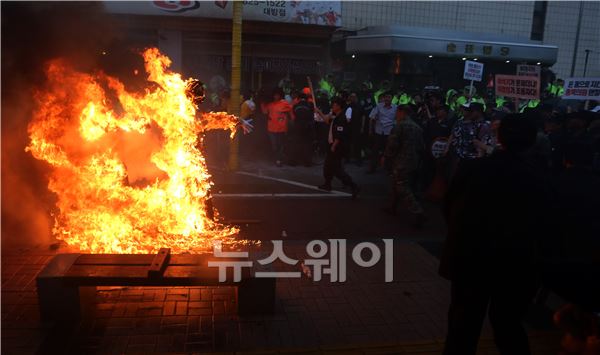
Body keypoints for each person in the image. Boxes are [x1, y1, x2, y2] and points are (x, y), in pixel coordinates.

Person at [439, 115, 554, 355]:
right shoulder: (539, 178)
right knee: (508, 325)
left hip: (471, 260)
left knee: (462, 326)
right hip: (516, 265)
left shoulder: (474, 168)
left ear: (499, 137)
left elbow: (449, 206)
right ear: (532, 141)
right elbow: (546, 225)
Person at [384, 104, 426, 227]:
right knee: (397, 184)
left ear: (402, 112)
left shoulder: (400, 126)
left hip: (401, 161)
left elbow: (392, 145)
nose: (396, 115)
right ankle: (393, 207)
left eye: (397, 112)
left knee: (402, 186)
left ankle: (419, 212)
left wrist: (386, 158)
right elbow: (422, 147)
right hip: (414, 162)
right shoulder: (418, 127)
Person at [316, 97, 360, 198]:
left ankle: (354, 186)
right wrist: (319, 112)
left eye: (334, 105)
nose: (332, 106)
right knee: (327, 166)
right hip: (332, 145)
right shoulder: (336, 115)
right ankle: (327, 184)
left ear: (339, 106)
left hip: (337, 147)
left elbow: (340, 134)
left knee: (337, 170)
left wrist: (334, 145)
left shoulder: (341, 118)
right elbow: (327, 120)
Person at [368, 92, 397, 173]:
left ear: (392, 98)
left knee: (389, 151)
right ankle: (372, 168)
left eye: (389, 97)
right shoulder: (378, 106)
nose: (387, 99)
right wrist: (370, 130)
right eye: (386, 97)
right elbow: (371, 118)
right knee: (375, 151)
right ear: (384, 98)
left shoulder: (395, 108)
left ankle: (388, 169)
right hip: (379, 131)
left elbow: (397, 120)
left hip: (389, 133)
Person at [264, 88, 292, 167]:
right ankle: (278, 159)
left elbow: (290, 111)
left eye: (277, 95)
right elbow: (265, 112)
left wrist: (288, 120)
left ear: (280, 95)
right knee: (274, 145)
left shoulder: (285, 103)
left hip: (281, 129)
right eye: (275, 95)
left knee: (279, 145)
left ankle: (279, 160)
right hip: (271, 129)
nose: (276, 96)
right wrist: (262, 102)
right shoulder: (270, 104)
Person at [288, 93, 315, 166]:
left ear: (298, 98)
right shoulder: (310, 105)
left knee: (296, 144)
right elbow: (312, 115)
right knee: (307, 144)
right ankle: (307, 162)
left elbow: (294, 115)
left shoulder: (296, 105)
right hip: (307, 127)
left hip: (297, 126)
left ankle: (293, 161)